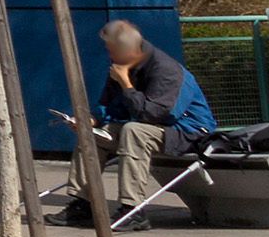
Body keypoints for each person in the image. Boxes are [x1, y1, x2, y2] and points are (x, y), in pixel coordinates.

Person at [85, 20, 217, 222]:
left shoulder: (167, 71)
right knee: (90, 135)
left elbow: (154, 115)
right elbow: (109, 104)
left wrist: (126, 85)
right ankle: (81, 202)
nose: (110, 56)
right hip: (156, 128)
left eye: (112, 51)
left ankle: (132, 209)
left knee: (133, 131)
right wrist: (93, 119)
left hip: (188, 132)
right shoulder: (122, 67)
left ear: (129, 51)